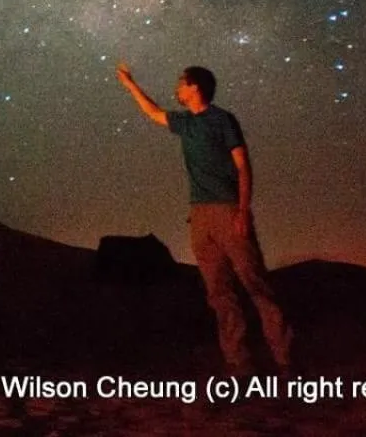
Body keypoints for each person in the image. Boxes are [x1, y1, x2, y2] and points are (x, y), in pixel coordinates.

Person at [115, 61, 292, 374]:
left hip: (227, 209)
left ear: (195, 87)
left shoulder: (222, 120)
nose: (177, 89)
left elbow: (242, 166)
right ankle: (238, 362)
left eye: (182, 83)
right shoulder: (185, 123)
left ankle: (284, 357)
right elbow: (154, 112)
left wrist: (242, 210)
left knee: (255, 282)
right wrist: (130, 84)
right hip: (199, 216)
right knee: (219, 293)